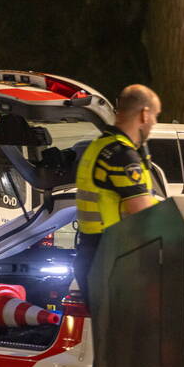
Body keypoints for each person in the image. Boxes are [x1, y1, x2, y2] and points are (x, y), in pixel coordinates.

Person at [73, 84, 161, 304]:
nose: (155, 123)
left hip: (91, 255)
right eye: (156, 116)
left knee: (108, 336)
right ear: (145, 114)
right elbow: (142, 215)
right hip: (112, 259)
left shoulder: (99, 146)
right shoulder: (123, 156)